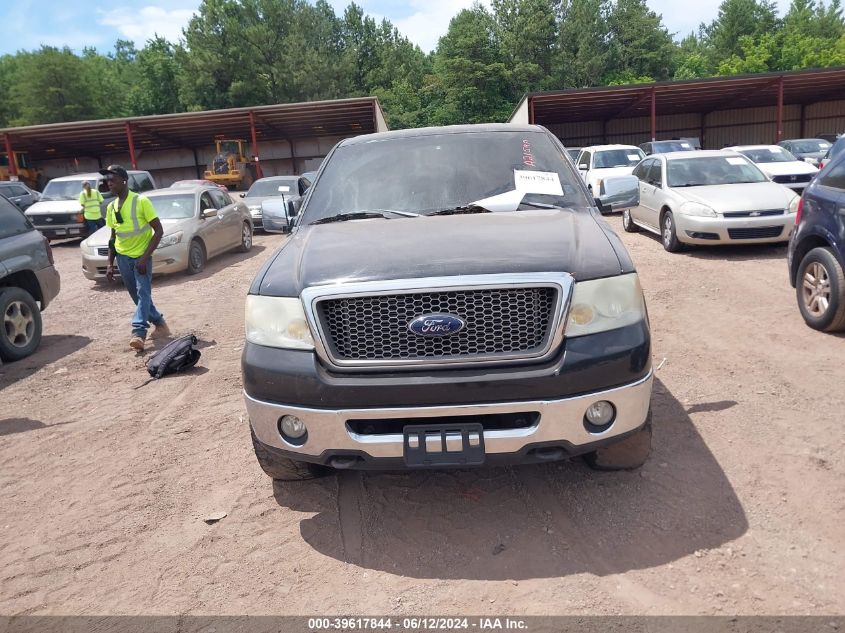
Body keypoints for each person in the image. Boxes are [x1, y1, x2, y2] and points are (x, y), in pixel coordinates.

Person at [102, 165, 171, 351]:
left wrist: (144, 258)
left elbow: (159, 231)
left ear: (124, 180)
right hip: (123, 258)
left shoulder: (141, 201)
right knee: (137, 296)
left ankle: (138, 332)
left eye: (113, 179)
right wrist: (110, 264)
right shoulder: (111, 207)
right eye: (107, 180)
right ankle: (160, 323)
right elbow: (113, 237)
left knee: (143, 293)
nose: (109, 183)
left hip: (141, 257)